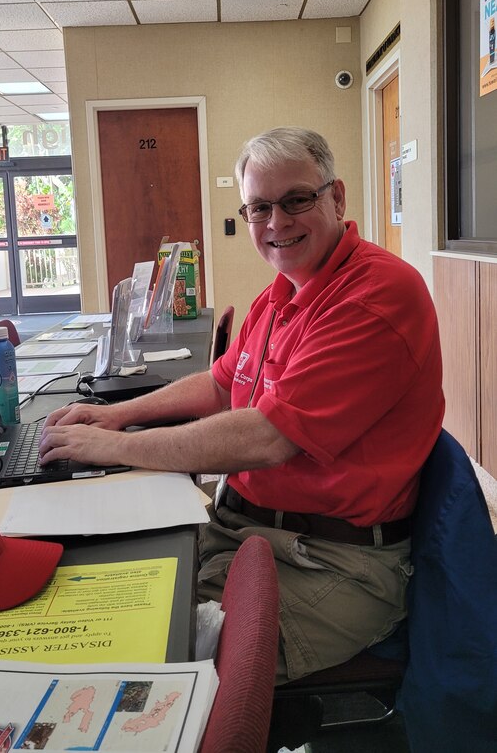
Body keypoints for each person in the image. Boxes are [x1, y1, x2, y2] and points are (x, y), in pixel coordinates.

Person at [39, 126, 444, 686]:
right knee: (88, 581)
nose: (277, 223)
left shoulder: (375, 296)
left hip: (328, 563)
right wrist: (115, 415)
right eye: (259, 208)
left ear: (338, 198)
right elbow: (222, 383)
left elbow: (267, 437)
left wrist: (116, 446)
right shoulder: (284, 290)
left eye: (297, 200)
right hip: (245, 530)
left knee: (135, 660)